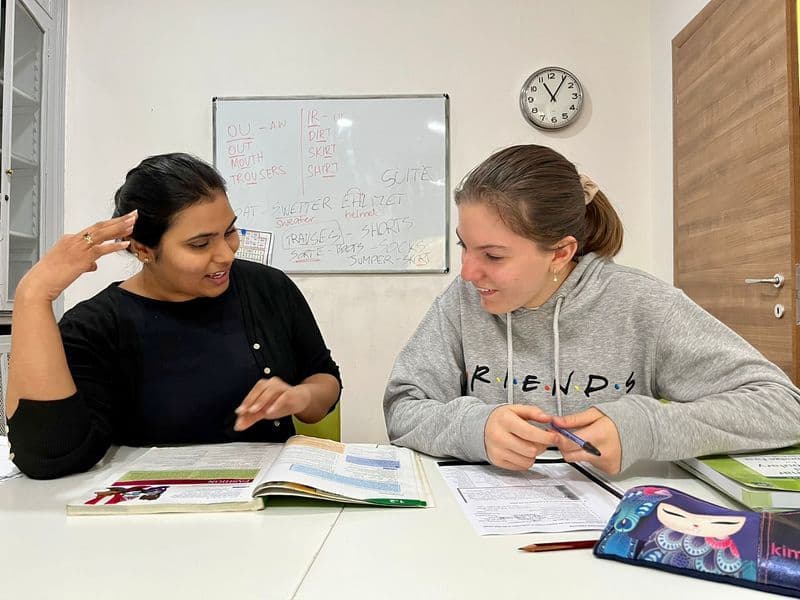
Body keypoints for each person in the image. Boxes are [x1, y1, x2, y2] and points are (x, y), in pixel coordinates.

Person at [383, 144, 800, 475]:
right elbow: (404, 407)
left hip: (612, 518)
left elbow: (783, 406)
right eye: (464, 245)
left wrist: (645, 427)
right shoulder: (462, 301)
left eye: (493, 255)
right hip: (479, 517)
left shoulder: (642, 304)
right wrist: (474, 428)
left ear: (560, 252)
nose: (468, 272)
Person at [7, 153, 341, 479]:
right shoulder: (96, 325)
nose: (226, 255)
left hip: (261, 498)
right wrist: (33, 295)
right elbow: (51, 457)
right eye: (200, 244)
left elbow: (324, 377)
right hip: (151, 505)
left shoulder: (267, 288)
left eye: (229, 232)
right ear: (143, 249)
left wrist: (301, 397)